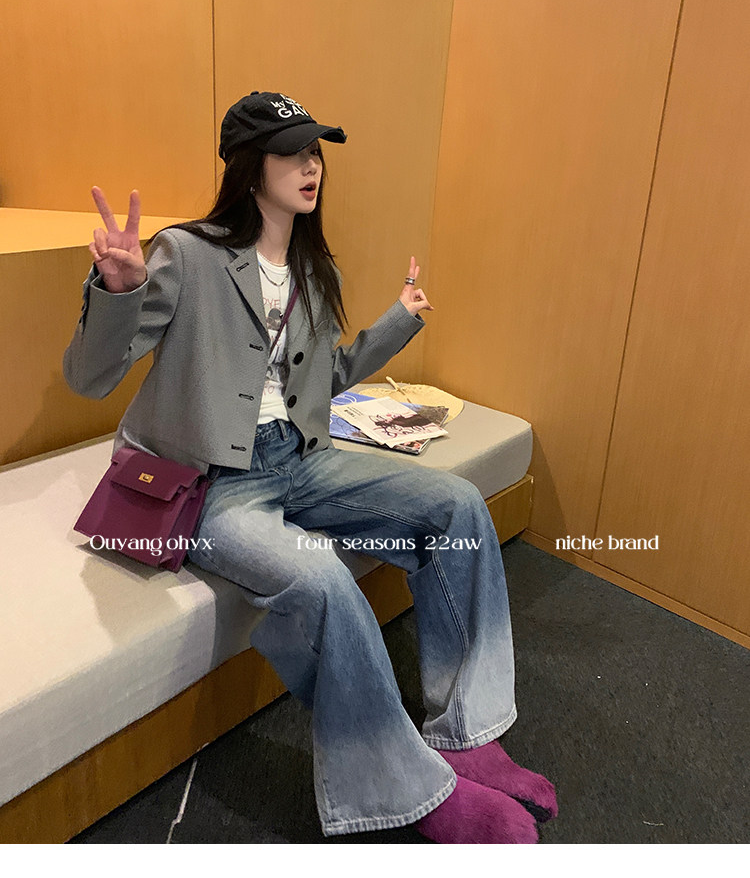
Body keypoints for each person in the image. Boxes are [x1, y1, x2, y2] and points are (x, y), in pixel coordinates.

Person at [63, 91, 557, 843]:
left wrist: (398, 320)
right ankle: (413, 792)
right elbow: (90, 378)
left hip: (300, 459)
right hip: (217, 487)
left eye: (316, 152)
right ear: (248, 165)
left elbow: (323, 382)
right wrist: (118, 293)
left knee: (456, 507)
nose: (311, 166)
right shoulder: (186, 253)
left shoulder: (312, 267)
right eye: (292, 152)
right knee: (322, 577)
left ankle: (467, 733)